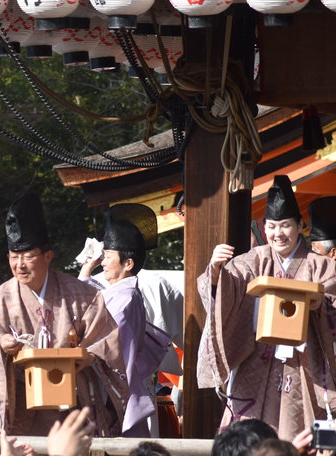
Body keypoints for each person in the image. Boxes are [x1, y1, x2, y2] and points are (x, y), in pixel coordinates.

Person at [0, 196, 127, 435]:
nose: (19, 265)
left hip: (72, 407)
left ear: (48, 256)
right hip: (21, 408)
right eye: (13, 257)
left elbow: (108, 340)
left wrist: (88, 357)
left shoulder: (82, 295)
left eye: (28, 257)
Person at [197, 175, 336, 440]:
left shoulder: (321, 265)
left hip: (304, 363)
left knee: (301, 431)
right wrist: (215, 270)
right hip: (256, 360)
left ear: (300, 226)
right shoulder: (252, 261)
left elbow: (332, 296)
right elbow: (225, 289)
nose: (277, 234)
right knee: (246, 434)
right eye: (271, 226)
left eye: (285, 226)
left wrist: (318, 303)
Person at [79, 203, 171, 437]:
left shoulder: (126, 298)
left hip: (113, 387)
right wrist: (88, 267)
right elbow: (89, 299)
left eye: (108, 257)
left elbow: (98, 330)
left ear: (127, 263)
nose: (103, 262)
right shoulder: (118, 293)